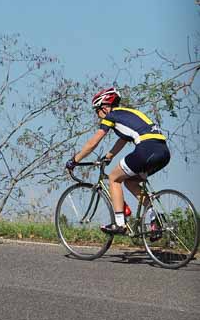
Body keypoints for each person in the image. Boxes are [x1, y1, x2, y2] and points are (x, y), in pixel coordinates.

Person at [66, 87, 170, 235]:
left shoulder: (111, 116)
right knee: (130, 181)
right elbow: (123, 138)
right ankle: (155, 219)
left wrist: (74, 160)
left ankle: (119, 223)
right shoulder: (129, 113)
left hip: (146, 149)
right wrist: (109, 156)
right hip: (163, 151)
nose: (98, 116)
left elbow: (92, 143)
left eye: (97, 111)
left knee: (114, 178)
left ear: (105, 107)